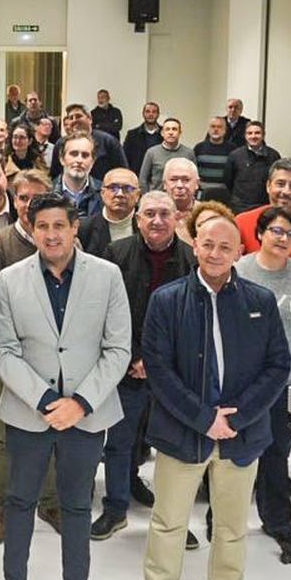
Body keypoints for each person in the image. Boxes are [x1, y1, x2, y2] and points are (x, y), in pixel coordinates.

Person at [138, 204, 290, 580]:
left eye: (225, 246)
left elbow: (278, 366)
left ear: (240, 250)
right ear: (195, 246)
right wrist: (205, 418)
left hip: (242, 435)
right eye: (207, 244)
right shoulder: (166, 301)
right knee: (168, 521)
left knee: (231, 524)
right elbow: (160, 370)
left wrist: (236, 418)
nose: (215, 252)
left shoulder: (261, 302)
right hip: (183, 432)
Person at [0, 194, 131, 580]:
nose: (51, 234)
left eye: (60, 226)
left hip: (86, 415)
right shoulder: (11, 279)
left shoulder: (107, 276)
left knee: (75, 504)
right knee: (19, 501)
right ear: (31, 230)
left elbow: (118, 348)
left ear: (75, 229)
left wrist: (81, 402)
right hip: (30, 412)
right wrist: (46, 399)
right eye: (42, 226)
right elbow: (5, 351)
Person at [95, 190, 195, 541]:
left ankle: (173, 520)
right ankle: (115, 508)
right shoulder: (116, 255)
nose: (156, 220)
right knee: (119, 442)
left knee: (172, 447)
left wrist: (156, 364)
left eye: (164, 214)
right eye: (149, 214)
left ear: (177, 219)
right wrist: (135, 357)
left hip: (172, 373)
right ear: (137, 220)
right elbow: (107, 313)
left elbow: (191, 323)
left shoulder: (190, 260)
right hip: (126, 366)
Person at [234, 205, 291, 547]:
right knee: (235, 455)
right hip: (242, 384)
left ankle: (276, 521)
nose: (282, 238)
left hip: (284, 383)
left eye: (289, 233)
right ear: (259, 234)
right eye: (275, 231)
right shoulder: (239, 271)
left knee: (276, 453)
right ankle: (223, 520)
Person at [0, 170, 60, 543]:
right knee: (4, 430)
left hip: (54, 355)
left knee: (52, 425)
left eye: (37, 197)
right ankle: (0, 503)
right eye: (23, 197)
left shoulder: (61, 242)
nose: (29, 204)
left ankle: (49, 499)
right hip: (7, 354)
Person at [227, 120, 280, 211]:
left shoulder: (273, 155)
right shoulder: (235, 155)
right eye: (249, 133)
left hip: (265, 206)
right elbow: (227, 181)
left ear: (263, 135)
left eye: (257, 133)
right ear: (245, 136)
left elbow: (276, 180)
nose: (253, 136)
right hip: (240, 207)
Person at [138, 118, 194, 193]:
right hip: (157, 198)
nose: (171, 132)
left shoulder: (189, 153)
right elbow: (143, 179)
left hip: (181, 198)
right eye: (167, 129)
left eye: (174, 129)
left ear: (180, 133)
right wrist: (147, 197)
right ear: (162, 133)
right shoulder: (151, 152)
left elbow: (193, 179)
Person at [53, 133, 101, 218]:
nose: (79, 160)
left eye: (85, 155)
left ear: (93, 161)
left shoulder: (104, 192)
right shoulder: (47, 191)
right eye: (74, 154)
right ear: (62, 158)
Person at [193, 118, 234, 203]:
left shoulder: (232, 149)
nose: (216, 129)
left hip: (224, 195)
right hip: (203, 194)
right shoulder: (199, 148)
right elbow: (193, 171)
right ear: (208, 129)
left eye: (219, 127)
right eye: (213, 126)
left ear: (225, 130)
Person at [163, 158, 202, 245]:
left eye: (186, 180)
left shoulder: (207, 215)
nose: (179, 185)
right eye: (173, 180)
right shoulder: (154, 216)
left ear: (197, 184)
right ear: (164, 184)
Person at [123, 102, 163, 178]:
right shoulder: (132, 134)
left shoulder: (165, 134)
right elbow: (125, 157)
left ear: (158, 114)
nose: (151, 114)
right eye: (147, 111)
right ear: (143, 114)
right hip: (138, 176)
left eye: (154, 112)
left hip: (159, 177)